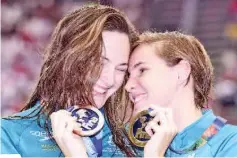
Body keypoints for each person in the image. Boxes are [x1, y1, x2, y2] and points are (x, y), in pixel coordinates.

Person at [1, 4, 138, 157]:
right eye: (99, 63)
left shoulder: (130, 143)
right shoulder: (9, 135)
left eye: (120, 69)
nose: (110, 80)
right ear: (67, 58)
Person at [125, 31, 237, 157]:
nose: (128, 86)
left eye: (142, 70)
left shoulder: (230, 144)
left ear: (181, 72)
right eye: (129, 76)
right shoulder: (125, 146)